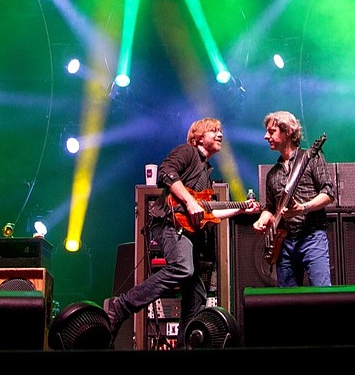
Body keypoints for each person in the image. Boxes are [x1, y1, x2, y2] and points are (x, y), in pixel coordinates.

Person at [106, 117, 259, 348]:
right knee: (182, 267)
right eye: (213, 131)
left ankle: (183, 346)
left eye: (221, 131)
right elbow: (166, 173)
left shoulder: (206, 171)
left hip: (189, 233)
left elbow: (210, 214)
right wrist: (189, 202)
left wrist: (241, 209)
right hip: (168, 223)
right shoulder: (187, 152)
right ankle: (122, 306)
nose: (220, 135)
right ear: (198, 136)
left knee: (197, 295)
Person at [252, 110, 336, 287]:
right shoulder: (272, 174)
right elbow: (270, 208)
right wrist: (262, 218)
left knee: (323, 295)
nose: (266, 136)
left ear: (288, 131)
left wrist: (303, 208)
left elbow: (328, 193)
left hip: (312, 236)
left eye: (271, 131)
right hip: (284, 243)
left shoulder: (311, 158)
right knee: (288, 302)